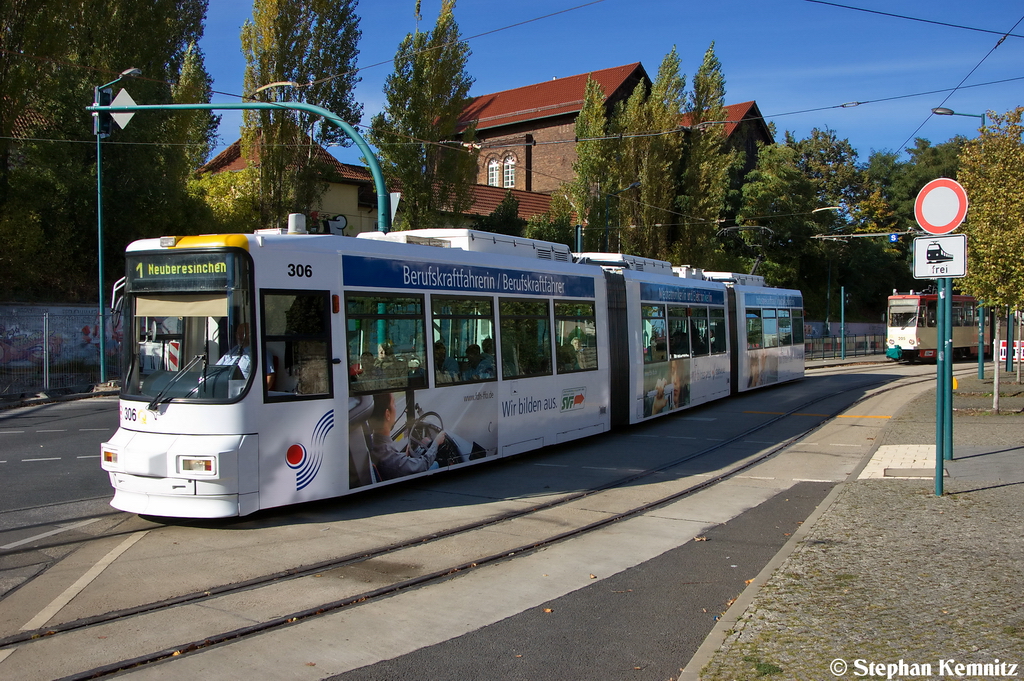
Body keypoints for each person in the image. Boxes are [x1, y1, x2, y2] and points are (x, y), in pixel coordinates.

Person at [367, 392, 444, 480]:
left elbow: (394, 461)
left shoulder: (372, 443)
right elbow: (423, 464)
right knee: (435, 464)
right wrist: (436, 442)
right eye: (393, 403)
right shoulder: (390, 458)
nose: (395, 406)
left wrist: (404, 456)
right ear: (387, 414)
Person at [216, 322, 275, 389]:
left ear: (250, 335)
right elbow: (217, 368)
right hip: (223, 387)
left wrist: (258, 393)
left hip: (244, 391)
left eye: (242, 334)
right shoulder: (233, 351)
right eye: (237, 333)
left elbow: (269, 376)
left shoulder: (260, 353)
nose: (239, 336)